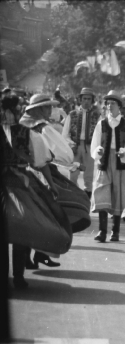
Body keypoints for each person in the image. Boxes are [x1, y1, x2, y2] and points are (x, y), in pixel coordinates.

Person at [2, 94, 72, 288]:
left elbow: (40, 162)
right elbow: (40, 162)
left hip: (16, 183)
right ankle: (17, 276)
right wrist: (49, 184)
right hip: (19, 184)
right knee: (23, 227)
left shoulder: (29, 133)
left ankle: (16, 276)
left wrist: (49, 183)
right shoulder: (28, 133)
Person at [91, 90, 125, 243]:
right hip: (104, 162)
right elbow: (95, 145)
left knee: (118, 195)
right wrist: (98, 151)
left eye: (113, 103)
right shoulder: (101, 124)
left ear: (119, 106)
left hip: (119, 163)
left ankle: (115, 232)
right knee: (102, 193)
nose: (109, 106)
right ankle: (102, 231)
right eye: (108, 103)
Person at [62, 88, 102, 198]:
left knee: (88, 176)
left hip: (90, 147)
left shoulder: (97, 115)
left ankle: (86, 200)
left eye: (89, 99)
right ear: (80, 99)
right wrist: (71, 144)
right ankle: (74, 197)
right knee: (73, 174)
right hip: (75, 146)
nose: (86, 101)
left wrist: (97, 148)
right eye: (84, 98)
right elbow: (65, 134)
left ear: (92, 100)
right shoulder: (72, 114)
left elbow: (100, 134)